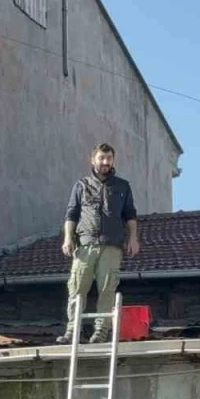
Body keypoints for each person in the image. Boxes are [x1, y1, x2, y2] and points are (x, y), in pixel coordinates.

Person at [57, 142, 140, 344]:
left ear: (113, 160)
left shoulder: (122, 186)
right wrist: (68, 238)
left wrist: (133, 238)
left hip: (112, 245)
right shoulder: (81, 185)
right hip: (85, 244)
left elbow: (130, 215)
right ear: (93, 160)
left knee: (107, 289)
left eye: (109, 158)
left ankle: (101, 332)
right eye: (101, 158)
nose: (105, 162)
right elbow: (71, 214)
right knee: (77, 287)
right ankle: (72, 331)